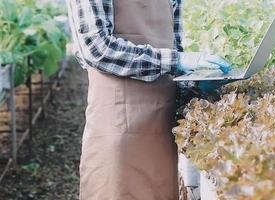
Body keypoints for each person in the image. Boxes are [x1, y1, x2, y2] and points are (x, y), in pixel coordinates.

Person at [66, 0, 232, 199]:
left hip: (162, 126)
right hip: (118, 125)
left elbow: (173, 52)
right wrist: (177, 60)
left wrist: (194, 83)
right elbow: (96, 47)